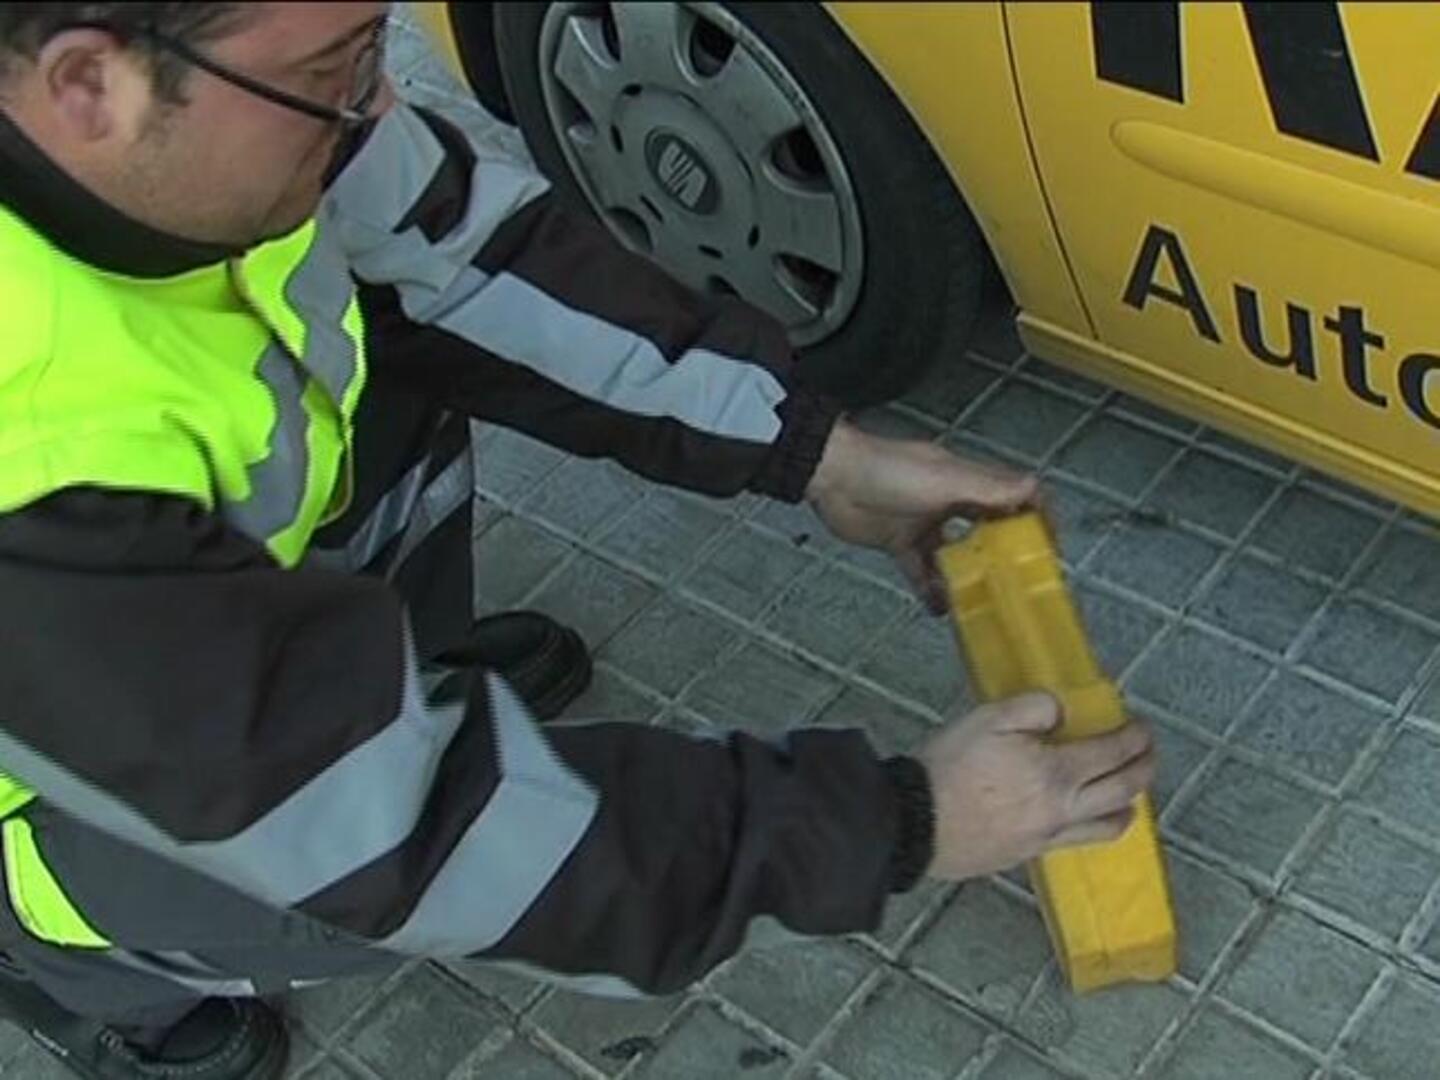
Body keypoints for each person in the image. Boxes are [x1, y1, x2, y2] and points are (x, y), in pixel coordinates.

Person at [0, 3, 1156, 1077]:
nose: (372, 104)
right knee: (370, 887)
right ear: (88, 83)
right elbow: (389, 826)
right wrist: (900, 822)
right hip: (82, 765)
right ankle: (78, 975)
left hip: (186, 626)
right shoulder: (31, 477)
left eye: (372, 46)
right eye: (326, 72)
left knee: (389, 396)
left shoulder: (220, 121)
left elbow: (461, 256)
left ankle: (386, 689)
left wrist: (812, 453)